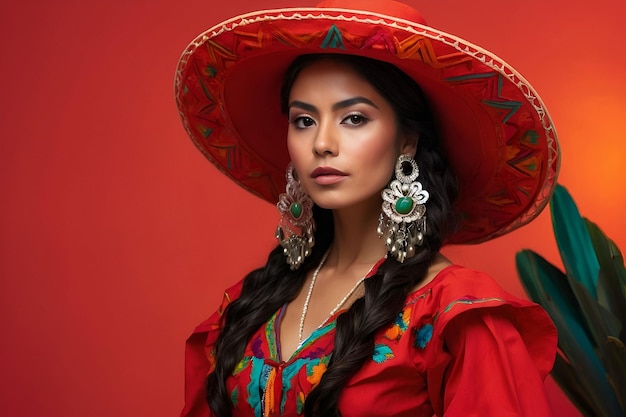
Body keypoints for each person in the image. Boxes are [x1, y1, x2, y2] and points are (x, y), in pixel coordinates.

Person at [174, 1, 560, 416]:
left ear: (407, 140)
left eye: (354, 118)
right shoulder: (247, 305)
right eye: (303, 120)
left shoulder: (454, 313)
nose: (322, 143)